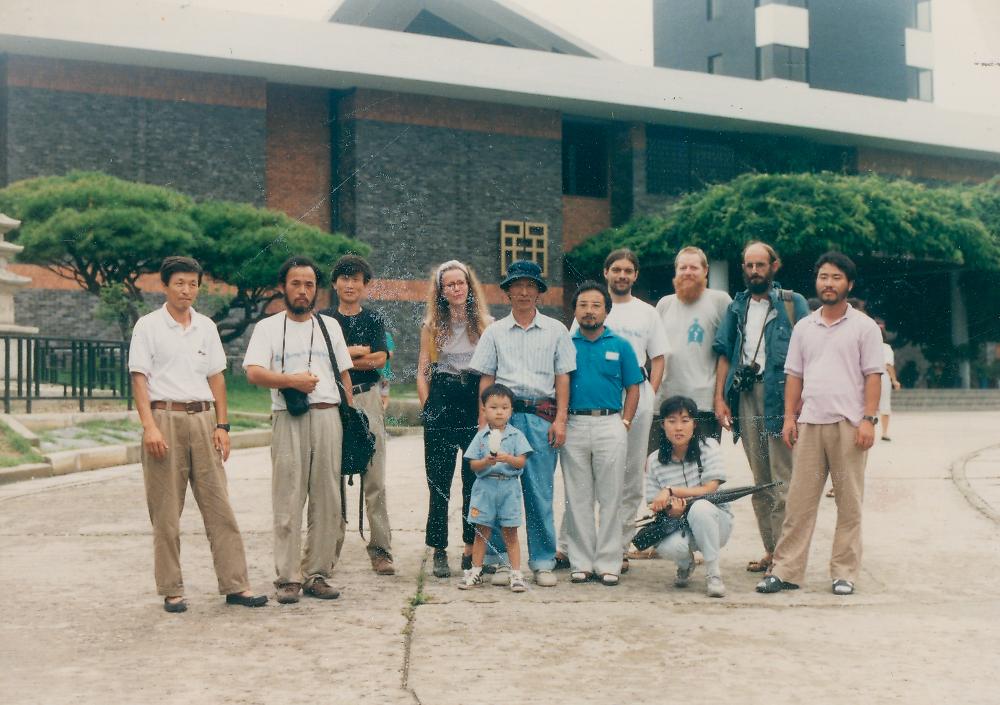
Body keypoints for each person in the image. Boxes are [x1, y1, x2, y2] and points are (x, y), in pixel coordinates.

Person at [129, 256, 268, 613]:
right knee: (165, 512)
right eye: (179, 283)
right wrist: (149, 427)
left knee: (219, 506)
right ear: (165, 286)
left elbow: (217, 378)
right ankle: (171, 589)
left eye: (192, 284)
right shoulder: (148, 326)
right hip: (165, 419)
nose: (186, 290)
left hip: (204, 421)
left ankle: (236, 584)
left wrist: (223, 426)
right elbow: (140, 380)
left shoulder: (206, 326)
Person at [757, 251, 884, 596]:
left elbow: (874, 376)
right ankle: (785, 571)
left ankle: (844, 572)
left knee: (849, 503)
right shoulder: (804, 326)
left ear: (849, 284)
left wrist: (868, 420)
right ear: (817, 281)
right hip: (810, 424)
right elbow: (794, 376)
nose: (829, 284)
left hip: (849, 426)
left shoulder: (864, 327)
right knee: (799, 503)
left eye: (836, 278)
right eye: (824, 277)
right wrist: (789, 417)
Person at [243, 256, 355, 604]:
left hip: (327, 417)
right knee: (288, 499)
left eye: (309, 284)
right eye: (296, 283)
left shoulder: (329, 327)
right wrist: (291, 380)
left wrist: (349, 417)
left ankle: (317, 574)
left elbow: (344, 375)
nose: (303, 290)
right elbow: (254, 372)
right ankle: (288, 578)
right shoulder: (268, 328)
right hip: (288, 418)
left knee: (327, 500)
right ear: (283, 287)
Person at [468, 260, 576, 588]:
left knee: (540, 491)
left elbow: (563, 378)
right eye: (518, 285)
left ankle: (542, 560)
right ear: (508, 291)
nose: (525, 292)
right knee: (501, 486)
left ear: (539, 292)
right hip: (504, 418)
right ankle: (500, 562)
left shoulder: (556, 330)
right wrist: (483, 424)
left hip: (542, 417)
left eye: (531, 286)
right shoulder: (495, 332)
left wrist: (560, 420)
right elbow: (486, 378)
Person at [560, 249, 668, 574]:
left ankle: (618, 548)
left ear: (635, 275)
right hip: (590, 403)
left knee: (630, 477)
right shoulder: (586, 308)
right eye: (616, 269)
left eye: (628, 270)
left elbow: (659, 357)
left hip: (634, 397)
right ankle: (571, 547)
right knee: (582, 483)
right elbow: (566, 367)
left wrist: (648, 396)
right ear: (606, 272)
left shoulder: (647, 313)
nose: (622, 275)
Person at [713, 242, 809, 574]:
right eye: (749, 265)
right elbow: (725, 354)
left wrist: (796, 409)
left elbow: (809, 354)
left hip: (780, 396)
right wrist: (719, 398)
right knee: (760, 480)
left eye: (760, 265)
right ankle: (772, 551)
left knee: (784, 482)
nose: (755, 271)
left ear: (774, 266)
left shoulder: (793, 304)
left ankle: (787, 556)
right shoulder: (736, 307)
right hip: (746, 396)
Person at [561, 282, 643, 586]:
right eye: (583, 305)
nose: (589, 311)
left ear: (606, 311)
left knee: (612, 496)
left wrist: (626, 422)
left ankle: (609, 562)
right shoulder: (566, 344)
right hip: (575, 425)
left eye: (596, 305)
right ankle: (580, 562)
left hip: (611, 423)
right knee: (578, 497)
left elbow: (633, 387)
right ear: (575, 310)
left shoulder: (620, 345)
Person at [416, 260, 492, 578]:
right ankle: (438, 549)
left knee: (473, 482)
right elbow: (422, 370)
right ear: (442, 291)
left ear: (469, 286)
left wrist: (485, 415)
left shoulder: (486, 324)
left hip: (473, 398)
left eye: (461, 283)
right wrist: (428, 407)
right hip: (443, 399)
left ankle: (468, 547)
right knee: (439, 482)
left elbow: (490, 372)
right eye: (449, 285)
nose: (456, 289)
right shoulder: (433, 326)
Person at [321, 254, 394, 576]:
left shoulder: (373, 320)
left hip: (367, 400)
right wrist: (354, 353)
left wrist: (342, 357)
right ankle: (327, 551)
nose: (350, 285)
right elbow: (320, 361)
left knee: (374, 476)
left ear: (365, 286)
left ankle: (381, 549)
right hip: (330, 402)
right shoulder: (323, 320)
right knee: (330, 478)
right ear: (335, 283)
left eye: (356, 279)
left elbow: (379, 359)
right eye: (344, 278)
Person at [645, 396, 733, 598]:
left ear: (695, 424)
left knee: (700, 508)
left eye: (685, 421)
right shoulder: (654, 460)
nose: (678, 428)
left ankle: (713, 574)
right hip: (679, 525)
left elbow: (710, 488)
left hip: (716, 522)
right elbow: (653, 502)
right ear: (662, 424)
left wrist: (670, 490)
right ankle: (686, 564)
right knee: (669, 547)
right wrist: (672, 511)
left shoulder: (709, 446)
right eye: (671, 421)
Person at [457, 384, 533, 592]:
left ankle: (516, 574)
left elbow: (522, 462)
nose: (499, 412)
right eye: (493, 407)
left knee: (511, 532)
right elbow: (472, 465)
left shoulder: (516, 436)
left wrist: (508, 458)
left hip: (508, 488)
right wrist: (485, 462)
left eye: (504, 407)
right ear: (484, 409)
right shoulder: (481, 436)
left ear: (511, 410)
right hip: (485, 487)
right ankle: (476, 570)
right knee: (481, 531)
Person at [655, 246, 731, 444]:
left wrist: (719, 398)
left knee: (703, 469)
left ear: (705, 270)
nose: (688, 272)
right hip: (665, 402)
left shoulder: (720, 301)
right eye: (683, 268)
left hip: (703, 404)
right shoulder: (664, 304)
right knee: (664, 468)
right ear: (676, 271)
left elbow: (727, 353)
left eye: (694, 267)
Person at [874, 318, 901, 441]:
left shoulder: (864, 346)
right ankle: (884, 432)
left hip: (867, 376)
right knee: (884, 404)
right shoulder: (886, 348)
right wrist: (894, 380)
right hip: (883, 376)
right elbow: (889, 365)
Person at [380, 330, 394, 411]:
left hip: (384, 373)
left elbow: (390, 353)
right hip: (369, 373)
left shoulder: (386, 335)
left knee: (384, 396)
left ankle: (381, 414)